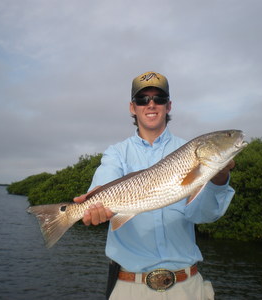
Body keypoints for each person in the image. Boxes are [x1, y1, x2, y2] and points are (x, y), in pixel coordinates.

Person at [74, 71, 235, 300]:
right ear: (133, 107)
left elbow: (204, 215)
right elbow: (104, 186)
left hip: (187, 287)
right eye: (143, 99)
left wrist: (218, 179)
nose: (151, 104)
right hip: (130, 287)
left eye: (158, 99)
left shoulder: (189, 151)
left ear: (168, 106)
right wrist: (91, 206)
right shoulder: (117, 153)